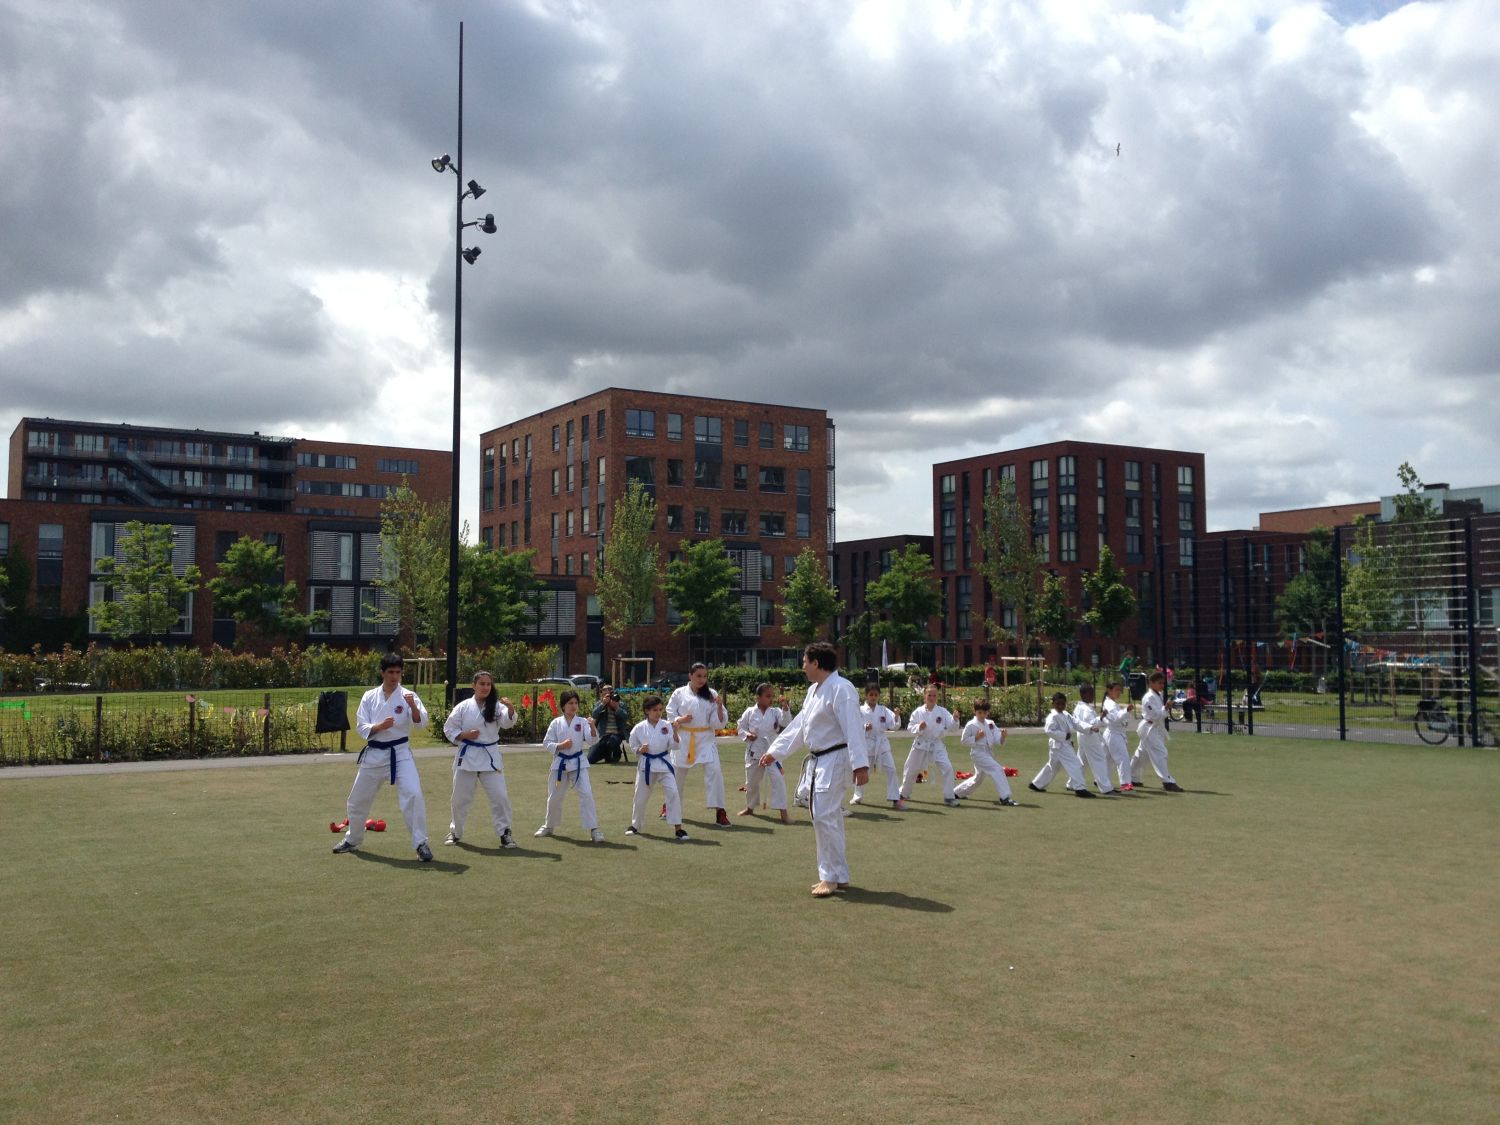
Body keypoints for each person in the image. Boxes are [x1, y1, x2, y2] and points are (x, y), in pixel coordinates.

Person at [760, 641, 870, 898]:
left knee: (822, 815)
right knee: (827, 816)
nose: (803, 667)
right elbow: (800, 727)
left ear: (816, 663)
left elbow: (853, 726)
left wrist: (860, 764)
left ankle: (829, 877)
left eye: (805, 662)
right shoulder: (814, 691)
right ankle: (838, 875)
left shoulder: (842, 689)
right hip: (820, 759)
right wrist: (775, 751)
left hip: (836, 756)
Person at [334, 653, 434, 860]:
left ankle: (421, 843)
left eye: (398, 672)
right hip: (375, 754)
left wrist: (413, 707)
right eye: (390, 672)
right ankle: (353, 839)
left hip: (400, 753)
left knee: (413, 794)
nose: (394, 676)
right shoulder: (369, 696)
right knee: (357, 800)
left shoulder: (409, 696)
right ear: (382, 672)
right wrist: (380, 726)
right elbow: (362, 727)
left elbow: (421, 723)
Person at [441, 670, 519, 848]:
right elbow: (449, 728)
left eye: (488, 684)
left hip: (490, 756)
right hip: (468, 755)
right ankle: (455, 832)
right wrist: (465, 735)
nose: (485, 687)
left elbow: (508, 723)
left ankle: (505, 832)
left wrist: (511, 710)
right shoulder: (463, 707)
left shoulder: (497, 706)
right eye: (482, 684)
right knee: (459, 798)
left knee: (500, 796)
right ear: (473, 685)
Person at [667, 663, 731, 827]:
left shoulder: (711, 694)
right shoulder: (679, 693)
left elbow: (718, 723)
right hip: (684, 738)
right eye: (699, 676)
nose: (702, 679)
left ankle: (720, 811)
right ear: (690, 676)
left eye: (705, 676)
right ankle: (670, 807)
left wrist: (718, 706)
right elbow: (670, 714)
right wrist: (679, 720)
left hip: (705, 738)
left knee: (715, 771)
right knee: (677, 775)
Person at [537, 690, 605, 840]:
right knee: (554, 796)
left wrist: (593, 726)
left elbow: (592, 740)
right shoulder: (556, 723)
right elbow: (547, 743)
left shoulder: (582, 722)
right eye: (570, 703)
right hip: (560, 763)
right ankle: (548, 826)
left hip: (578, 762)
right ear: (563, 706)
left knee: (586, 794)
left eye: (575, 703)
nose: (573, 706)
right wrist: (561, 746)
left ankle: (594, 829)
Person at [626, 694, 688, 840]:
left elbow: (675, 745)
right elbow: (632, 744)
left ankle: (678, 827)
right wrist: (640, 750)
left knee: (673, 793)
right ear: (647, 711)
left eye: (660, 709)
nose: (658, 713)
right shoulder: (639, 728)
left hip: (664, 763)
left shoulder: (667, 726)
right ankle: (635, 825)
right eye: (655, 710)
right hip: (646, 765)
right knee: (640, 796)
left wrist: (675, 732)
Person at [736, 682, 790, 823]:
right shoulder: (749, 712)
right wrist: (748, 735)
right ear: (758, 697)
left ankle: (783, 813)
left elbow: (786, 721)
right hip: (755, 752)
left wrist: (785, 707)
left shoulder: (775, 712)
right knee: (752, 783)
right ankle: (750, 807)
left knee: (778, 780)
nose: (770, 699)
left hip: (772, 753)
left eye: (772, 696)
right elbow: (740, 727)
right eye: (767, 696)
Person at [1029, 691, 1097, 797]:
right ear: (1053, 704)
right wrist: (1064, 736)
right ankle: (1080, 788)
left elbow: (1076, 723)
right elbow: (1049, 730)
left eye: (1062, 704)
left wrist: (1090, 727)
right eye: (1058, 704)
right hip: (1060, 744)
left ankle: (1036, 784)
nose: (1060, 706)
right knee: (1076, 764)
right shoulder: (1053, 716)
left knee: (1053, 766)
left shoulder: (1065, 714)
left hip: (1062, 745)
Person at [900, 684, 959, 807]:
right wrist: (919, 727)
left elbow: (953, 728)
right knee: (911, 769)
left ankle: (949, 797)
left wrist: (955, 719)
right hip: (921, 743)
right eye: (929, 695)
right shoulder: (918, 712)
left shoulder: (942, 711)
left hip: (936, 745)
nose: (932, 698)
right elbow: (910, 727)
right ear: (924, 696)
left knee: (947, 768)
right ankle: (903, 793)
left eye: (934, 695)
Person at [953, 699, 1017, 805]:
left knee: (978, 778)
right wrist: (976, 737)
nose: (982, 715)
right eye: (979, 712)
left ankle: (957, 793)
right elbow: (963, 741)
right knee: (997, 769)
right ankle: (1005, 797)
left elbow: (997, 740)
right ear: (974, 711)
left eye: (985, 713)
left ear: (988, 712)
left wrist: (1003, 737)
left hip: (988, 753)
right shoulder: (971, 724)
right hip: (977, 753)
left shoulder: (990, 724)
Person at [1131, 671, 1184, 791]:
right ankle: (1167, 781)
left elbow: (1159, 714)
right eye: (1159, 683)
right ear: (1151, 683)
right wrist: (1165, 708)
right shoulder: (1148, 697)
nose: (1162, 685)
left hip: (1155, 728)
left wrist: (1165, 707)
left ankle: (1132, 777)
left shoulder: (1157, 695)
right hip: (1149, 728)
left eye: (1163, 683)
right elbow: (1155, 715)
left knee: (1142, 754)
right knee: (1161, 752)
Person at [852, 684, 903, 809]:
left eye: (875, 695)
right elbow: (854, 725)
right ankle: (857, 796)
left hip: (882, 744)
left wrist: (896, 716)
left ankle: (895, 798)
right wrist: (864, 728)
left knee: (891, 769)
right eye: (871, 695)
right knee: (863, 771)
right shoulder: (860, 710)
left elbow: (893, 725)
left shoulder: (883, 710)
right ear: (866, 696)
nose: (873, 697)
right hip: (867, 745)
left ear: (879, 696)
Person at [1072, 683, 1118, 795]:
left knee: (1082, 761)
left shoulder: (1079, 707)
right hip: (1090, 736)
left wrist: (1100, 717)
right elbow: (1092, 724)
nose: (1093, 696)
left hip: (1083, 736)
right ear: (1083, 694)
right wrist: (1101, 718)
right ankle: (1106, 787)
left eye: (1093, 693)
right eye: (1090, 693)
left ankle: (1072, 783)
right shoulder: (1086, 709)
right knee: (1099, 760)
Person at [1100, 680, 1136, 791]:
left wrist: (1125, 713)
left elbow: (1119, 718)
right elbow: (1115, 718)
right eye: (1116, 690)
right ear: (1109, 690)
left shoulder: (1112, 703)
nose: (1119, 692)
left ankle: (1102, 780)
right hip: (1113, 734)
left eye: (1120, 690)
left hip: (1113, 733)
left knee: (1108, 759)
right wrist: (1126, 710)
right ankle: (1125, 783)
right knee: (1122, 758)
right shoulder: (1109, 704)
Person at [589, 685, 631, 764]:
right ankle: (606, 754)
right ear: (602, 693)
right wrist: (603, 704)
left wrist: (617, 708)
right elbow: (594, 714)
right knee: (590, 759)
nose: (607, 691)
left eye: (610, 689)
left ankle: (617, 754)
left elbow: (625, 717)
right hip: (602, 735)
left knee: (611, 741)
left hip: (616, 734)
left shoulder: (620, 703)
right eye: (605, 690)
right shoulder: (599, 704)